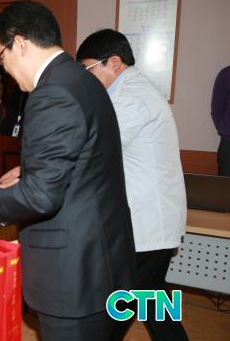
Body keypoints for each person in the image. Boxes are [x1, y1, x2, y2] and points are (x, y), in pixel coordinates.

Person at [0, 1, 135, 341]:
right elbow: (85, 157)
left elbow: (42, 195)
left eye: (2, 57)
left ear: (20, 43)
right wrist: (32, 169)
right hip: (103, 262)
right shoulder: (82, 81)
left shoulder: (51, 93)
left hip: (73, 276)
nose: (4, 69)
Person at [77, 29, 188, 340]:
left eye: (88, 69)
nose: (85, 78)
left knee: (115, 309)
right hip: (149, 224)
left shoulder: (131, 98)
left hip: (147, 226)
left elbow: (92, 152)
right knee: (152, 303)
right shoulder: (130, 91)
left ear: (114, 62)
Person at [211, 65, 230, 176]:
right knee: (226, 185)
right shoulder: (226, 74)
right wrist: (225, 129)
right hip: (228, 146)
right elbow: (217, 109)